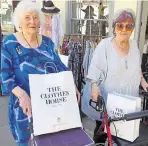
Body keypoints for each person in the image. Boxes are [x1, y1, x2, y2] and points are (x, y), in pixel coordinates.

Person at [1, 1, 80, 146]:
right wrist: (22, 95)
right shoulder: (9, 43)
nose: (32, 21)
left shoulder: (48, 43)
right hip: (24, 108)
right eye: (27, 18)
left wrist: (71, 85)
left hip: (48, 105)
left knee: (48, 141)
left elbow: (60, 66)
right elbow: (5, 77)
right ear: (19, 21)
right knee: (26, 142)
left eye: (36, 17)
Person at [86, 8, 148, 143]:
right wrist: (94, 85)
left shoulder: (134, 46)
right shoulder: (105, 46)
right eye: (120, 25)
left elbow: (137, 67)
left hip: (130, 100)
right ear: (114, 27)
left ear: (132, 29)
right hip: (110, 103)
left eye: (129, 25)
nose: (124, 29)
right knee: (106, 134)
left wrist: (143, 81)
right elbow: (95, 69)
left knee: (126, 135)